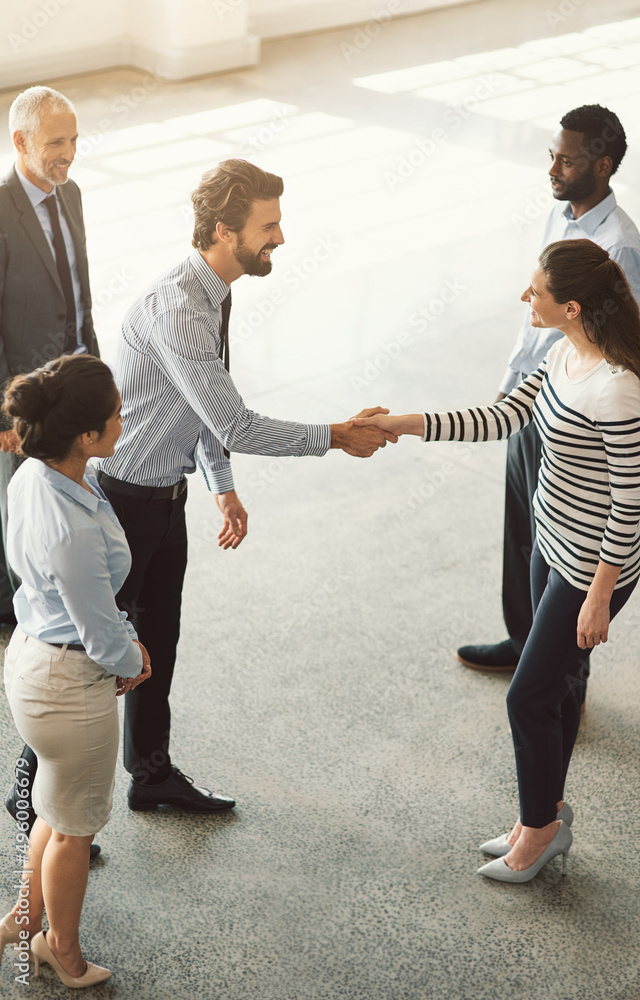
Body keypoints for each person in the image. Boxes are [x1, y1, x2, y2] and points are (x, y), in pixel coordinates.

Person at [95, 158, 395, 815]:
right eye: (269, 226)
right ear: (225, 230)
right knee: (89, 658)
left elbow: (201, 411)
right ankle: (36, 802)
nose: (281, 239)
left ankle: (150, 776)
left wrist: (220, 484)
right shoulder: (179, 309)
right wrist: (337, 435)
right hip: (119, 503)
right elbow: (233, 419)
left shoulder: (216, 291)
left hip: (162, 497)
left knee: (158, 644)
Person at [354, 239, 640, 882]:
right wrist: (401, 423)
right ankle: (546, 811)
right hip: (551, 541)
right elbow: (501, 416)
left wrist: (600, 595)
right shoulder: (563, 353)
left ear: (570, 306)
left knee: (528, 697)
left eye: (533, 290)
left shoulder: (619, 390)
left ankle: (539, 833)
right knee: (560, 689)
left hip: (591, 565)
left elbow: (631, 506)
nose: (523, 297)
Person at [455, 105, 640, 683]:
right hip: (530, 397)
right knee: (524, 528)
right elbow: (537, 311)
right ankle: (523, 639)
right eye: (552, 155)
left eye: (567, 158)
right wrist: (514, 382)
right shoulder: (560, 218)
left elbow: (616, 340)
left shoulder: (619, 245)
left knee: (561, 541)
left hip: (571, 410)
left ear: (603, 165)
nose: (554, 167)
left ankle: (564, 676)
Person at [0, 354, 151, 986]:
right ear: (85, 436)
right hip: (70, 684)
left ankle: (23, 919)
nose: (125, 419)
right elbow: (98, 631)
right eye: (117, 416)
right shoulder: (73, 530)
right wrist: (133, 657)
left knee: (54, 813)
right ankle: (62, 951)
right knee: (75, 831)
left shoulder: (33, 474)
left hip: (33, 659)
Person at [1, 86, 101, 852]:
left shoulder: (70, 200)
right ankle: (30, 787)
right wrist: (8, 417)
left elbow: (78, 306)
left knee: (67, 566)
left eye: (72, 141)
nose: (66, 155)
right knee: (35, 586)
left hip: (70, 415)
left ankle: (46, 787)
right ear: (19, 142)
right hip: (22, 423)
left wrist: (96, 382)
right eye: (53, 145)